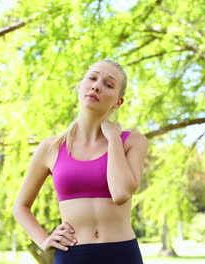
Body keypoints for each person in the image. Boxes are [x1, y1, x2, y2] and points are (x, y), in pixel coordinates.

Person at [13, 59, 148, 264]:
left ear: (118, 103)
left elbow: (121, 193)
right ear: (81, 85)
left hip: (122, 253)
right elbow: (21, 206)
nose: (96, 86)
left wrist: (113, 139)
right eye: (92, 78)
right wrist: (43, 240)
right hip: (73, 255)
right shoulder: (51, 148)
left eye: (108, 84)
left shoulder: (132, 141)